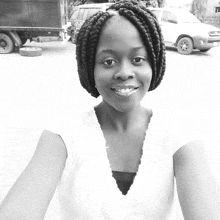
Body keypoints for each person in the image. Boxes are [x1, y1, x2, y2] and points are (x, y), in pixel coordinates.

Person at [0, 1, 219, 219]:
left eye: (138, 59)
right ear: (89, 68)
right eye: (108, 61)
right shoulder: (61, 137)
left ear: (155, 64)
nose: (124, 72)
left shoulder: (178, 137)